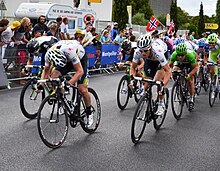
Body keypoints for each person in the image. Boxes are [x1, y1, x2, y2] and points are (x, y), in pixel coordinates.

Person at [39, 40, 93, 126]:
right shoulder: (48, 55)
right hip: (65, 59)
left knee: (82, 89)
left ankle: (89, 111)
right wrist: (40, 85)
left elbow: (80, 71)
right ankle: (62, 101)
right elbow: (45, 71)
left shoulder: (70, 52)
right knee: (54, 76)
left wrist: (69, 83)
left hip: (80, 58)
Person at [130, 33, 172, 115]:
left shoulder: (157, 52)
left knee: (157, 81)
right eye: (141, 51)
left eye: (145, 50)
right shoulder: (138, 52)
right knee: (146, 84)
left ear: (150, 48)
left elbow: (168, 71)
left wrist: (163, 85)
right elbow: (133, 67)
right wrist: (132, 79)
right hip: (150, 61)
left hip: (161, 59)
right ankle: (150, 102)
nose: (143, 53)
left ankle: (161, 103)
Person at [169, 43, 198, 111]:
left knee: (190, 81)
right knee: (175, 71)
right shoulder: (174, 55)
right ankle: (178, 84)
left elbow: (195, 68)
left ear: (185, 53)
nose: (180, 57)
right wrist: (170, 73)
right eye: (178, 55)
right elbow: (169, 66)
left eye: (182, 55)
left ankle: (191, 98)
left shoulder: (190, 55)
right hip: (180, 63)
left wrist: (189, 75)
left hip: (189, 64)